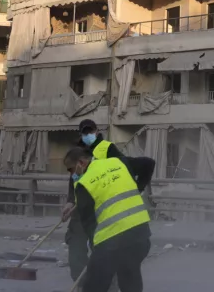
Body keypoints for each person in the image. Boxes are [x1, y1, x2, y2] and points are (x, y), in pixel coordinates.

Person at [64, 147, 156, 292]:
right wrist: (139, 187)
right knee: (130, 279)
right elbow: (148, 163)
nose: (71, 174)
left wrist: (95, 247)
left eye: (70, 169)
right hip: (141, 235)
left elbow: (88, 222)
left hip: (111, 240)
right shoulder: (118, 162)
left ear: (81, 162)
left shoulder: (83, 183)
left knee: (94, 285)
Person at [63, 121, 125, 287]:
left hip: (101, 210)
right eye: (84, 132)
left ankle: (108, 286)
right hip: (80, 210)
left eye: (90, 131)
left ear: (97, 131)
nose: (87, 135)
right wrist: (70, 201)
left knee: (104, 252)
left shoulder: (107, 149)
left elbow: (122, 171)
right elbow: (73, 180)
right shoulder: (77, 152)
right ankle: (82, 284)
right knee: (75, 248)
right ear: (80, 134)